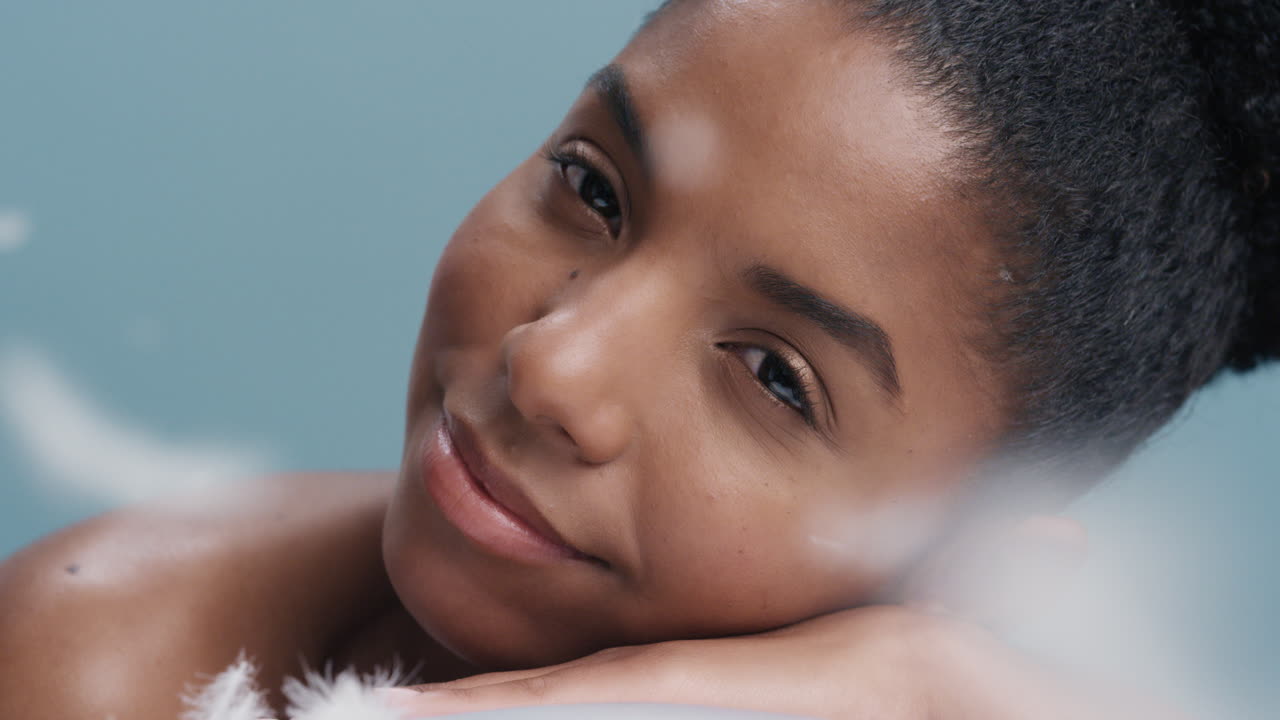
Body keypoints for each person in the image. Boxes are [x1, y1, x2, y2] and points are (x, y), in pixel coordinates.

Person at [0, 0, 1275, 718]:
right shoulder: (104, 664)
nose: (554, 366)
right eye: (592, 187)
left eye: (776, 377)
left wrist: (927, 687)